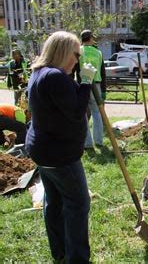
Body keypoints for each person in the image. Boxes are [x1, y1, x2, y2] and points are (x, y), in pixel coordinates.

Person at [25, 31, 97, 263]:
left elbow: (64, 103)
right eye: (75, 54)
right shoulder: (55, 76)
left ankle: (60, 252)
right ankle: (77, 259)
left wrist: (77, 81)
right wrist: (86, 82)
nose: (77, 60)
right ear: (64, 51)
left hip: (43, 150)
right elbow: (77, 112)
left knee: (54, 202)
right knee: (77, 204)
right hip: (60, 155)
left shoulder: (39, 73)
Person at [75, 30, 106, 149]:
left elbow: (75, 69)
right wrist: (103, 91)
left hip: (83, 85)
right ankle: (99, 141)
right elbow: (103, 72)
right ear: (91, 38)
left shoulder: (79, 51)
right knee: (97, 113)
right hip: (97, 85)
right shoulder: (98, 52)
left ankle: (87, 143)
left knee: (83, 114)